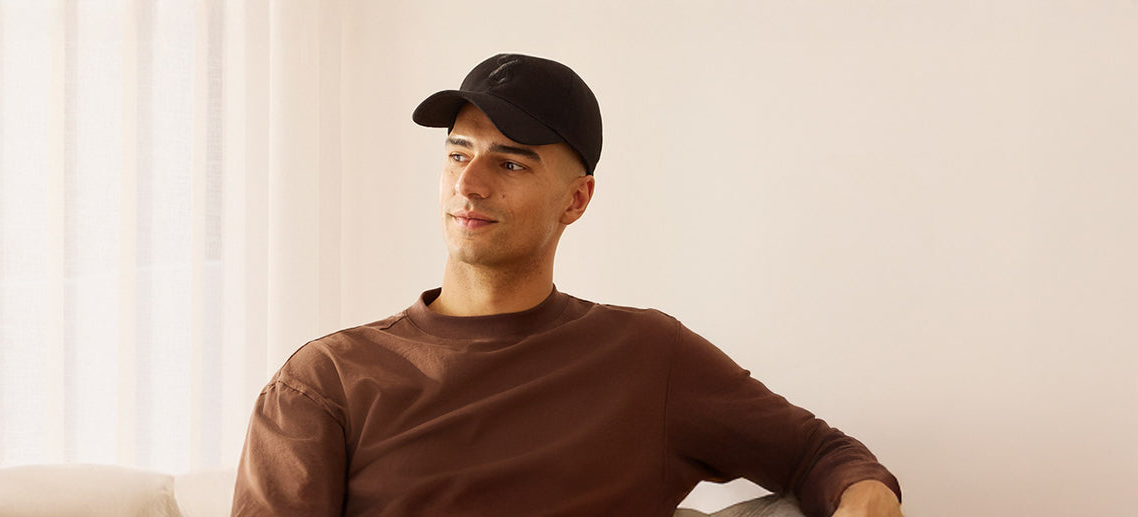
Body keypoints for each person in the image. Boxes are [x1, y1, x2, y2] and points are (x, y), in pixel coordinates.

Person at [229, 53, 903, 517]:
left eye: (511, 163)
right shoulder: (326, 380)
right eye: (458, 153)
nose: (469, 182)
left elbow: (823, 454)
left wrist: (865, 489)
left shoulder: (648, 356)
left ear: (575, 201)